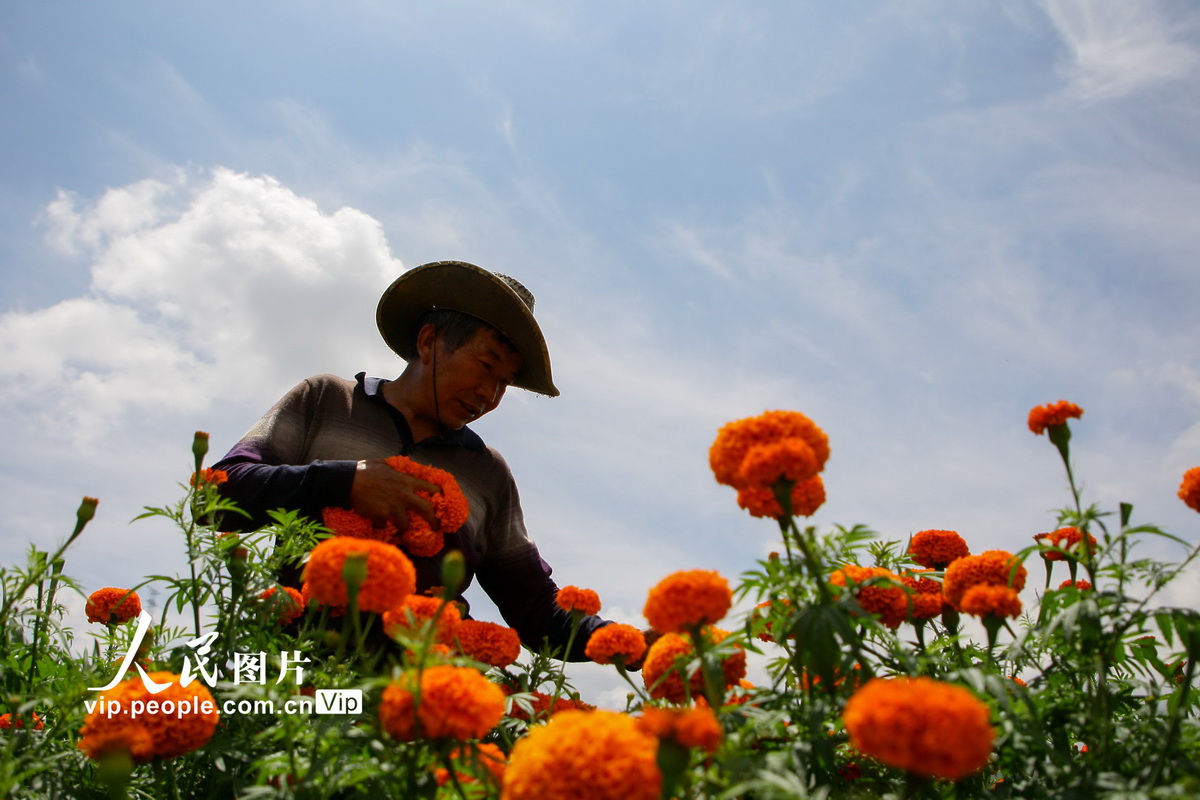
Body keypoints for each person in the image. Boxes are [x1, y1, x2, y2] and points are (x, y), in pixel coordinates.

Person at [211, 260, 608, 660]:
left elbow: (537, 612)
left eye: (505, 381)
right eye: (486, 365)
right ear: (428, 342)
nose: (490, 394)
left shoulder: (487, 473)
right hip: (290, 671)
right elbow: (217, 496)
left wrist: (637, 643)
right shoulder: (326, 400)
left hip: (416, 694)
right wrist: (344, 483)